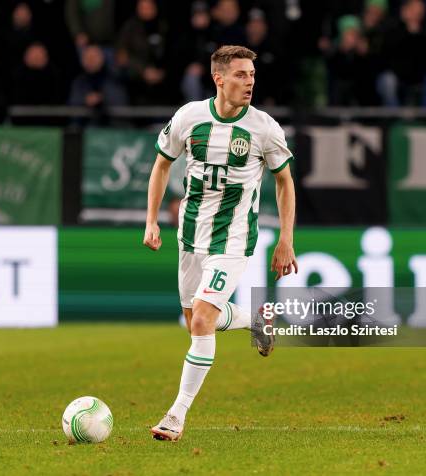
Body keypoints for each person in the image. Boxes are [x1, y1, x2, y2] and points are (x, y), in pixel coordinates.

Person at [143, 45, 298, 441]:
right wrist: (152, 221)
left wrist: (286, 239)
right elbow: (162, 164)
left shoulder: (263, 127)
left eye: (252, 75)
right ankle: (256, 321)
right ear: (219, 79)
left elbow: (284, 181)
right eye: (241, 75)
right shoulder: (189, 117)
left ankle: (175, 416)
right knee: (193, 318)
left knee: (201, 319)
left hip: (233, 238)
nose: (250, 82)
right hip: (191, 234)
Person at [378, 0, 426, 107]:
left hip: (420, 76)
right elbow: (387, 57)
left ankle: (425, 117)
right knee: (387, 80)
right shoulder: (393, 28)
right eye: (415, 10)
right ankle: (396, 117)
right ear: (405, 11)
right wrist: (408, 31)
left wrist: (416, 34)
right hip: (398, 76)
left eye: (420, 11)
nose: (418, 14)